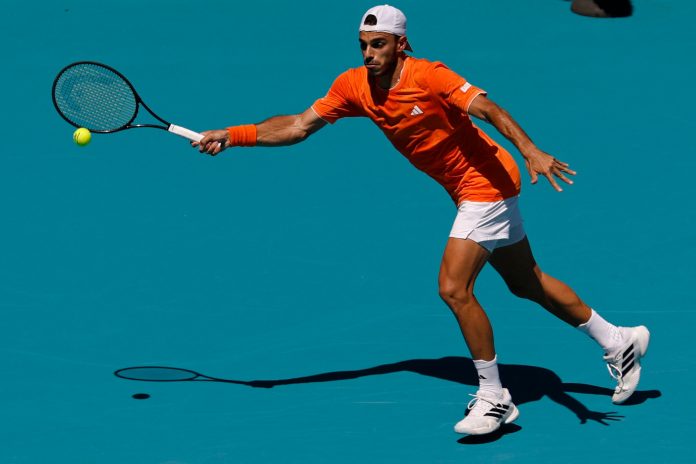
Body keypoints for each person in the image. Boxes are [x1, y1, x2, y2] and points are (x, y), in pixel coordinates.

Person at [193, 5, 650, 436]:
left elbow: (488, 109)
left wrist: (530, 149)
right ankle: (618, 340)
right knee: (526, 282)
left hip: (486, 184)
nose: (369, 54)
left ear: (401, 44)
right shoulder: (353, 86)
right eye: (363, 45)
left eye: (378, 44)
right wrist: (233, 135)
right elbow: (297, 125)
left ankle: (494, 396)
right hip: (469, 189)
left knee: (453, 288)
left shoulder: (430, 76)